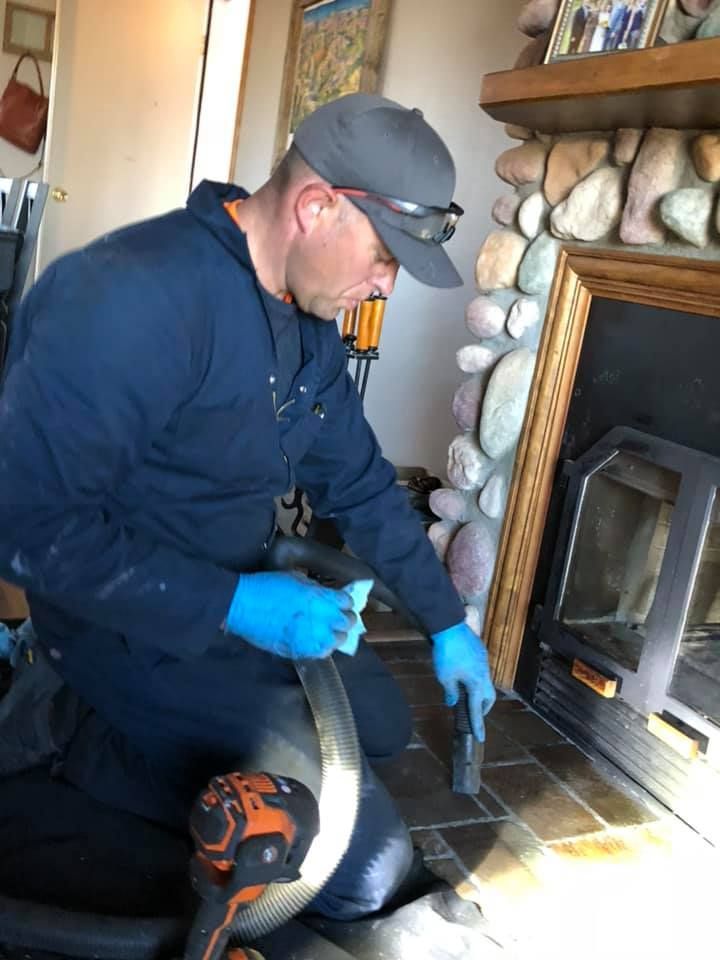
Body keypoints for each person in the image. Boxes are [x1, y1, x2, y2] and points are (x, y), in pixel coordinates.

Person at [0, 93, 495, 921]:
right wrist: (235, 605)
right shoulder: (132, 299)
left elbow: (364, 485)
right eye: (383, 259)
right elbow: (25, 525)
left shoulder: (306, 326)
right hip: (127, 623)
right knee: (367, 868)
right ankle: (72, 723)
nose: (383, 288)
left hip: (236, 599)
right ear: (315, 206)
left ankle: (178, 734)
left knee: (382, 727)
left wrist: (448, 624)